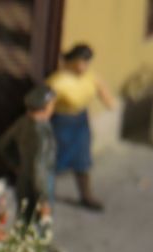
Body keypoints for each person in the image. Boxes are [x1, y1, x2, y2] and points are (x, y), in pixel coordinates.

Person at [47, 43, 116, 211]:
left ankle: (86, 195)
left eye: (86, 63)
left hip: (80, 123)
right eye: (81, 62)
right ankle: (45, 196)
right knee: (52, 160)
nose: (84, 67)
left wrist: (110, 102)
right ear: (71, 61)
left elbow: (104, 93)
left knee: (82, 161)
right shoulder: (57, 82)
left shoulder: (90, 77)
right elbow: (47, 106)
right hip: (61, 123)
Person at [0, 83, 57, 230]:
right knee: (41, 225)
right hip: (40, 183)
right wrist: (44, 199)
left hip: (23, 178)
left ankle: (21, 241)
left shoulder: (23, 122)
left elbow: (4, 144)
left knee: (24, 219)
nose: (53, 108)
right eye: (52, 105)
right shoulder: (41, 134)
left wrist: (16, 165)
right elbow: (39, 168)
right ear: (44, 107)